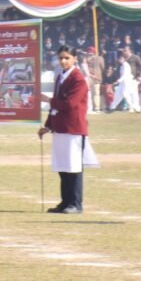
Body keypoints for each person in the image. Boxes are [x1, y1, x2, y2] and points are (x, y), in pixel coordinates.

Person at [39, 46, 97, 213]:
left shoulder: (78, 79)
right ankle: (65, 202)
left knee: (74, 167)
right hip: (60, 128)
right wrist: (48, 125)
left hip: (73, 128)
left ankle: (76, 204)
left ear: (75, 59)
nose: (63, 61)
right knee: (63, 167)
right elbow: (57, 106)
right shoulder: (60, 77)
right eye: (61, 58)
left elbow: (70, 104)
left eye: (67, 58)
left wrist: (49, 100)